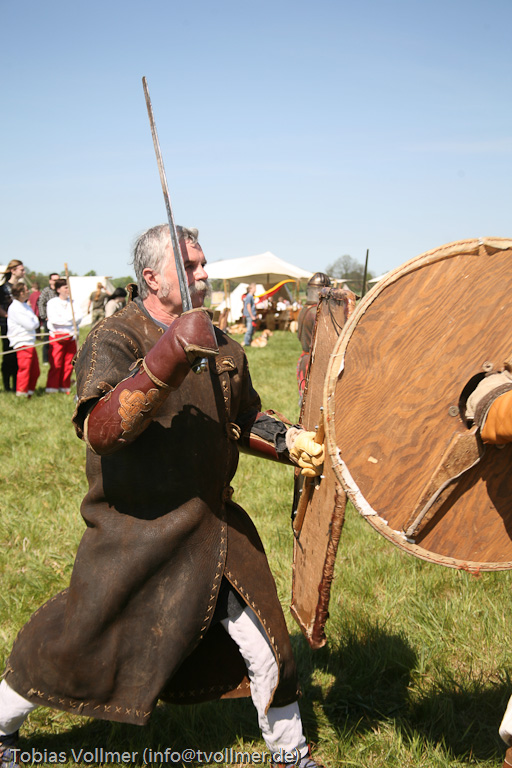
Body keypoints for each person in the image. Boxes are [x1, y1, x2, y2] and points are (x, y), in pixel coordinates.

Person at [0, 224, 325, 768]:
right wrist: (171, 352)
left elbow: (242, 416)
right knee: (76, 646)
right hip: (137, 530)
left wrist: (288, 441)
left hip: (214, 526)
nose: (203, 273)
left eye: (203, 262)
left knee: (269, 642)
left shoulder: (222, 342)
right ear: (151, 278)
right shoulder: (116, 336)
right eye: (190, 265)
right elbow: (100, 429)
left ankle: (290, 754)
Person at [296, 273, 331, 405]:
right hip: (314, 363)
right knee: (314, 405)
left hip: (305, 359)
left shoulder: (304, 310)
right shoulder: (317, 313)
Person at [45, 279, 82, 394]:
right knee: (56, 363)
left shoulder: (74, 303)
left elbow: (79, 318)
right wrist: (70, 319)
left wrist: (66, 320)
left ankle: (65, 387)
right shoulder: (52, 303)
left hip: (71, 336)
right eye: (65, 287)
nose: (68, 290)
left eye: (68, 287)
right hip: (57, 337)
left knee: (68, 364)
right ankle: (52, 388)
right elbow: (54, 320)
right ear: (58, 289)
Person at [6, 284, 40, 398]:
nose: (28, 291)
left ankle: (29, 393)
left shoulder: (25, 305)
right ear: (21, 293)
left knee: (35, 371)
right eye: (26, 290)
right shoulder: (15, 307)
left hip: (30, 341)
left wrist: (34, 321)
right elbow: (31, 324)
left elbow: (35, 321)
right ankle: (21, 394)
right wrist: (34, 321)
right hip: (22, 342)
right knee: (25, 369)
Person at [0, 260, 26, 392]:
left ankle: (17, 385)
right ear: (13, 271)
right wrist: (8, 316)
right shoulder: (3, 288)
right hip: (7, 326)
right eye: (21, 270)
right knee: (8, 356)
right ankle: (7, 385)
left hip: (21, 327)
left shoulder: (22, 288)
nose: (24, 272)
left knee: (19, 357)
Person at [37, 273, 59, 365]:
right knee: (47, 340)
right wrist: (44, 316)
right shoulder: (46, 291)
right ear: (50, 281)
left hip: (58, 320)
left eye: (57, 280)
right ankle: (45, 359)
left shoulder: (59, 291)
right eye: (54, 280)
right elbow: (40, 303)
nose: (56, 281)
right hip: (48, 320)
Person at [243, 282, 257, 347]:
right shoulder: (249, 296)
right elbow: (248, 306)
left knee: (252, 329)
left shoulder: (251, 296)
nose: (255, 289)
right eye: (255, 288)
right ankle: (246, 343)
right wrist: (252, 315)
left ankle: (250, 341)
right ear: (251, 289)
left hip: (251, 315)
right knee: (249, 329)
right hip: (249, 316)